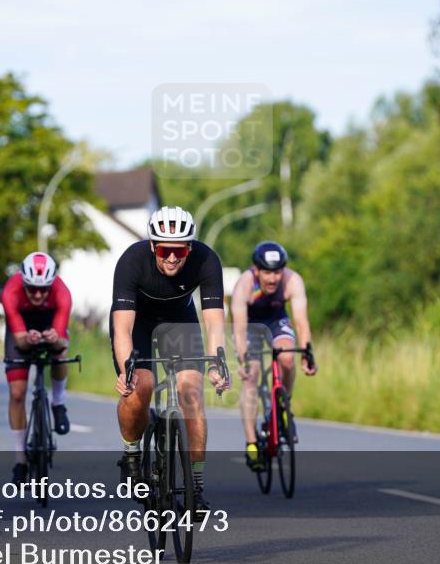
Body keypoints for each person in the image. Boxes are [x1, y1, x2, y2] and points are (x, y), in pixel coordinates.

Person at [111, 206, 230, 517]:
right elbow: (122, 328)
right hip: (138, 324)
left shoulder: (206, 260)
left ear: (190, 247)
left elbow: (214, 322)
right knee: (141, 385)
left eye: (181, 250)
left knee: (191, 393)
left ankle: (196, 487)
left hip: (179, 322)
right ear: (153, 246)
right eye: (165, 250)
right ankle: (131, 454)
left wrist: (217, 363)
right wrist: (126, 370)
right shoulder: (132, 261)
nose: (173, 257)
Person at [230, 241, 317, 471]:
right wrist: (243, 360)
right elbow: (239, 330)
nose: (272, 278)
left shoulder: (293, 281)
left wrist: (307, 353)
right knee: (251, 375)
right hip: (249, 326)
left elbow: (301, 322)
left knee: (287, 358)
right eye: (267, 272)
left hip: (276, 321)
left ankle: (283, 406)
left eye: (277, 272)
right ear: (256, 270)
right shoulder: (244, 285)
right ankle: (251, 443)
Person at [1, 251, 72, 484]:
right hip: (21, 329)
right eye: (32, 289)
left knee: (61, 354)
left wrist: (55, 338)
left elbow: (61, 342)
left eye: (44, 289)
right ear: (23, 283)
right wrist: (27, 338)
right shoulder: (10, 292)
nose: (38, 294)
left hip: (51, 323)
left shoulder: (62, 293)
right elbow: (20, 342)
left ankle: (58, 403)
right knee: (17, 393)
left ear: (51, 284)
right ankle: (20, 459)